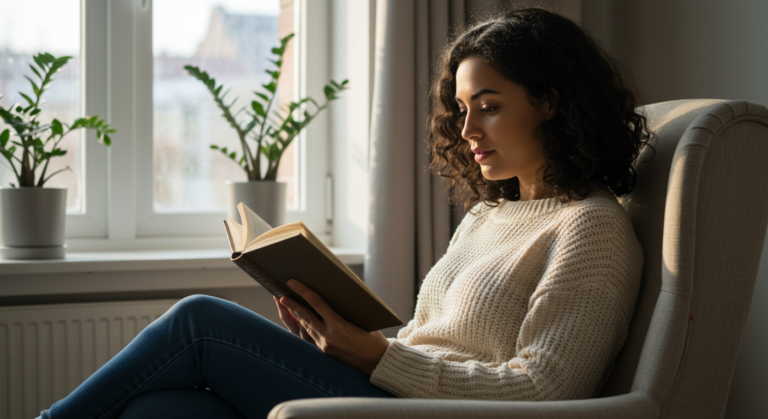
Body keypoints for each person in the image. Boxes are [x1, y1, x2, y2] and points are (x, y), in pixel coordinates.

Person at [38, 7, 653, 419]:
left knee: (199, 321)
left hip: (428, 413)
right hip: (391, 392)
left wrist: (376, 357)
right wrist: (338, 342)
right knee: (160, 409)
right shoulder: (489, 216)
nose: (467, 129)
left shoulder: (591, 228)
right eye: (462, 108)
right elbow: (433, 345)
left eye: (488, 106)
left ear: (551, 103)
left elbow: (546, 391)